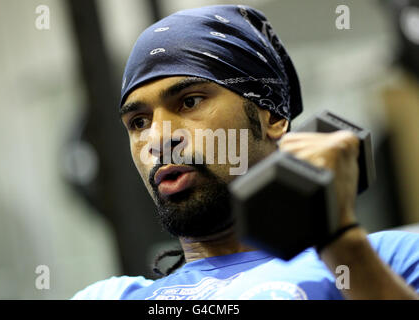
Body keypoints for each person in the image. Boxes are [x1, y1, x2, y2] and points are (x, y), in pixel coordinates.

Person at [72, 5, 419, 300]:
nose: (159, 138)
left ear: (272, 115)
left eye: (190, 101)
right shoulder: (111, 296)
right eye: (139, 122)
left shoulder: (389, 258)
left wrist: (341, 243)